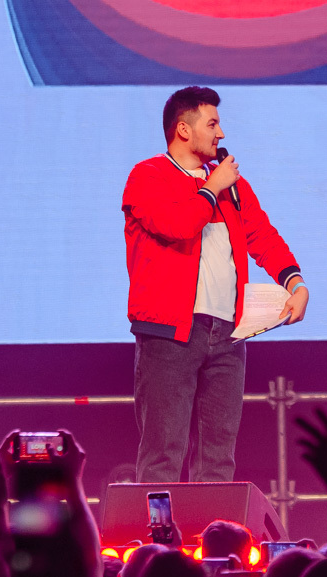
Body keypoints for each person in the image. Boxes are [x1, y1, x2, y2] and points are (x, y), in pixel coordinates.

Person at [123, 87, 307, 482]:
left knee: (218, 459)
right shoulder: (148, 176)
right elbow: (176, 226)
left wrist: (295, 281)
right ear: (183, 130)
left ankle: (214, 525)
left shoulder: (231, 185)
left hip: (227, 335)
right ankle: (157, 527)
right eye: (212, 124)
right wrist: (211, 188)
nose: (221, 134)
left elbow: (262, 236)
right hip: (169, 334)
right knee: (163, 456)